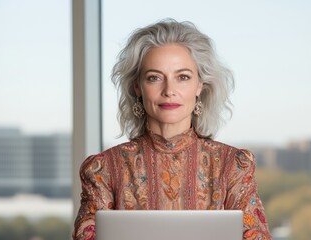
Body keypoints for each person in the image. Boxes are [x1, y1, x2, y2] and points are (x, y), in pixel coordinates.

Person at [73, 19, 271, 240]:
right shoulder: (103, 170)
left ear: (199, 86)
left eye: (183, 77)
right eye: (154, 77)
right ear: (137, 86)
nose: (169, 90)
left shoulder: (234, 166)